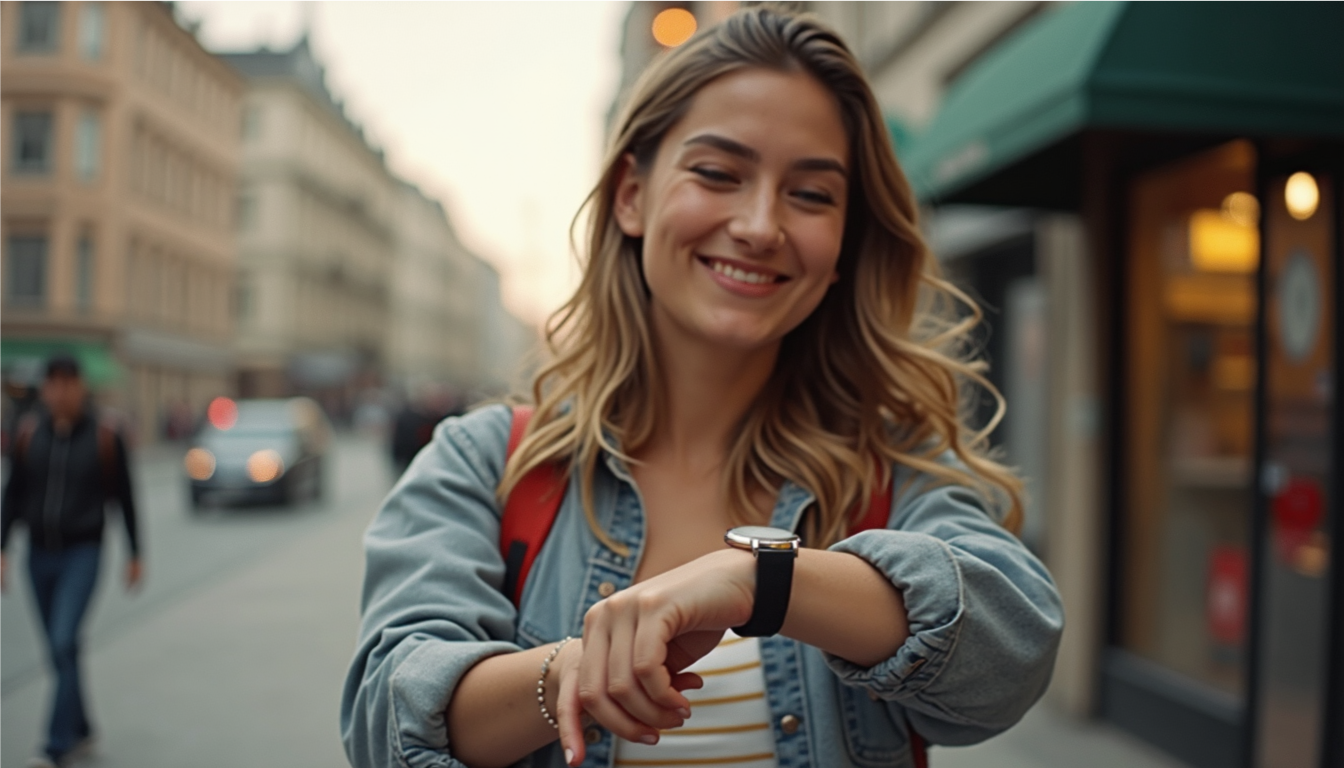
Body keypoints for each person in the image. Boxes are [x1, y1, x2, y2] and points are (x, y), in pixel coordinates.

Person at [342, 8, 1064, 768]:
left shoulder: (892, 464)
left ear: (846, 241)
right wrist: (574, 675)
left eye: (812, 195)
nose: (759, 225)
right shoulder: (486, 463)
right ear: (631, 195)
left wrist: (763, 583)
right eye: (718, 174)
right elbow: (385, 723)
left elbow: (1011, 657)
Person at [0, 354, 142, 768]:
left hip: (84, 551)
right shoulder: (29, 434)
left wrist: (136, 554)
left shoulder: (104, 435)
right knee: (59, 650)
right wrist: (2, 547)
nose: (60, 392)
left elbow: (127, 498)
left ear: (80, 387)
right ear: (45, 389)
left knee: (63, 641)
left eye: (67, 383)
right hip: (38, 554)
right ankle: (82, 727)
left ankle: (55, 745)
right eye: (53, 384)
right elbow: (12, 495)